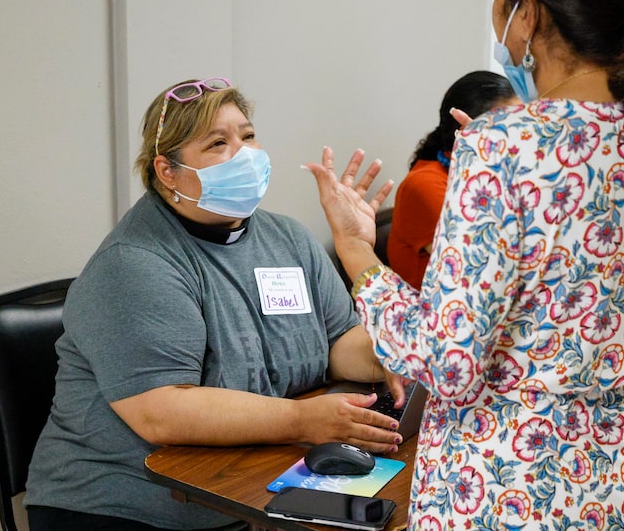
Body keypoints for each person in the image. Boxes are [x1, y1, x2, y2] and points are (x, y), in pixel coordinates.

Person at [305, 0, 624, 530]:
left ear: (530, 10)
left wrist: (357, 249)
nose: (497, 3)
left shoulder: (503, 147)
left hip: (514, 483)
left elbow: (447, 360)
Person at [24, 78, 405, 531]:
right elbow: (161, 411)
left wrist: (391, 354)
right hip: (121, 505)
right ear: (168, 171)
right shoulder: (135, 262)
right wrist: (303, 420)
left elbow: (338, 342)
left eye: (247, 136)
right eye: (218, 143)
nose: (244, 154)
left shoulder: (287, 238)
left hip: (243, 485)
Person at [387, 70, 517, 288]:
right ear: (465, 129)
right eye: (508, 126)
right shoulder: (424, 185)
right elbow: (481, 269)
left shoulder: (488, 175)